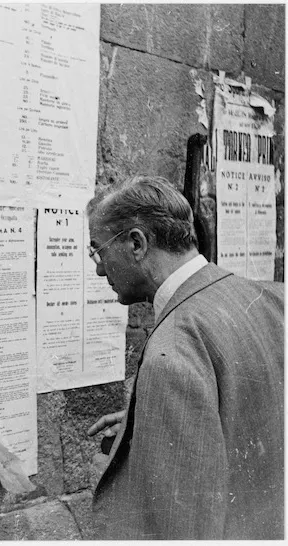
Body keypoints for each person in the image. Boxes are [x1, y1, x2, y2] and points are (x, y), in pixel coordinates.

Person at [85, 175, 284, 539]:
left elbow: (183, 529)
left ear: (136, 243)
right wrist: (150, 416)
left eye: (98, 250)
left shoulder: (173, 349)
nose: (99, 269)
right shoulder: (271, 298)